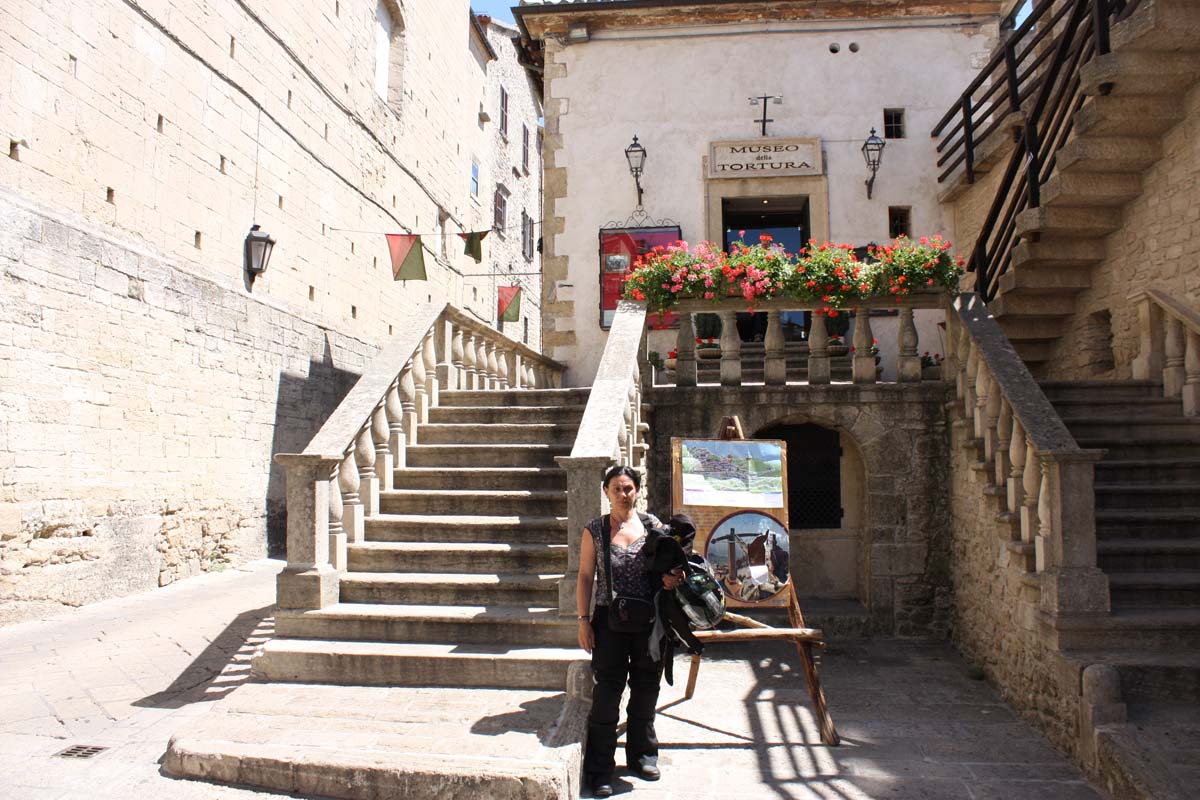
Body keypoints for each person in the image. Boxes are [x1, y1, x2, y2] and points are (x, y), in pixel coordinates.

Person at [576, 465, 682, 798]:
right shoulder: (595, 530)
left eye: (628, 488)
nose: (623, 494)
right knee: (607, 694)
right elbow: (585, 576)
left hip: (649, 622)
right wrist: (582, 620)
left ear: (637, 490)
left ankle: (642, 757)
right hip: (608, 622)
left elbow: (672, 568)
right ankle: (600, 770)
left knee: (646, 688)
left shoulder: (653, 527)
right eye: (617, 489)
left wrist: (673, 578)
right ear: (606, 492)